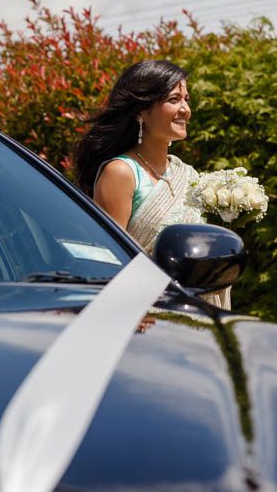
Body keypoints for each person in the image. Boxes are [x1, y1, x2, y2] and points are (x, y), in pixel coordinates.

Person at [74, 60, 230, 309]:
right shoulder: (122, 172)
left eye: (186, 99)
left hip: (195, 313)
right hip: (146, 316)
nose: (186, 109)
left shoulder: (186, 174)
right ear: (140, 111)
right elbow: (106, 258)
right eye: (174, 99)